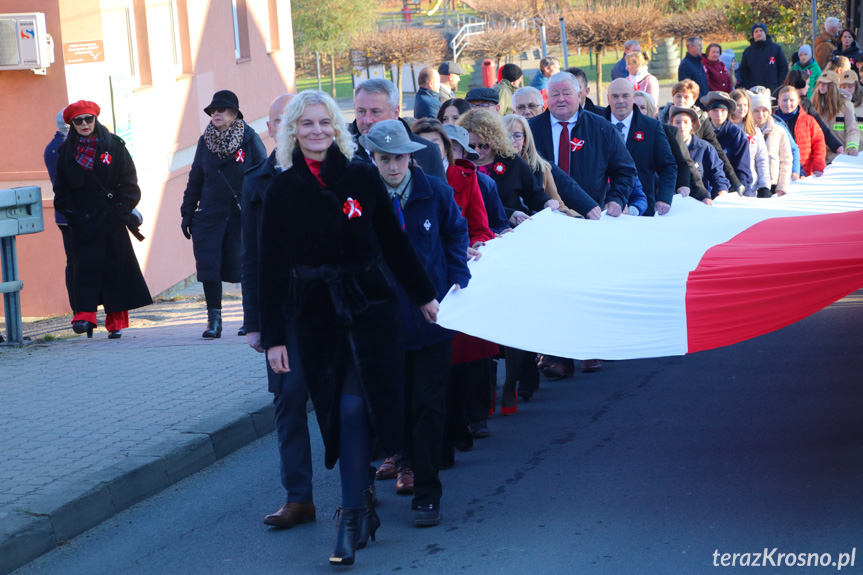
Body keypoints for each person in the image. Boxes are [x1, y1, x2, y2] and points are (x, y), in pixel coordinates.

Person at [259, 91, 439, 565]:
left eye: (324, 123)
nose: (316, 131)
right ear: (293, 131)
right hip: (312, 319)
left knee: (357, 409)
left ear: (337, 129)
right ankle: (358, 509)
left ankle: (351, 515)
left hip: (367, 311)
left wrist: (423, 296)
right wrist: (274, 336)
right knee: (334, 416)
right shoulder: (281, 190)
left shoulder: (361, 176)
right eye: (307, 124)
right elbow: (269, 267)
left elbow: (394, 242)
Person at [239, 93, 317, 530]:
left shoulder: (332, 173)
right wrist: (257, 325)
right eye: (278, 121)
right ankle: (298, 497)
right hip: (282, 313)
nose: (286, 128)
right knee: (289, 403)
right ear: (269, 129)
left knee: (343, 402)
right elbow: (251, 258)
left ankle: (357, 489)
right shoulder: (257, 181)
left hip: (329, 307)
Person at [53, 100, 151, 339]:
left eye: (88, 119)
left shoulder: (114, 146)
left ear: (95, 119)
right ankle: (84, 317)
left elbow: (129, 181)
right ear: (72, 124)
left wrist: (122, 208)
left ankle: (115, 322)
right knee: (84, 269)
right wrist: (75, 215)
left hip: (111, 218)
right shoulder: (65, 153)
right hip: (84, 221)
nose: (84, 124)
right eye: (78, 120)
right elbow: (62, 191)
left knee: (114, 269)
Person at [180, 90, 265, 339]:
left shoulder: (249, 139)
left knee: (245, 266)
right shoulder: (204, 141)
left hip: (241, 214)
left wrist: (260, 211)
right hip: (209, 214)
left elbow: (262, 176)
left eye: (222, 110)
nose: (216, 114)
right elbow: (195, 178)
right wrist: (187, 212)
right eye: (213, 111)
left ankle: (250, 318)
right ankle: (213, 320)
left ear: (234, 114)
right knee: (209, 267)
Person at [528, 72, 635, 217]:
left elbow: (625, 170)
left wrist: (616, 199)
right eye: (554, 95)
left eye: (566, 93)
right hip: (543, 214)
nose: (561, 99)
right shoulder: (530, 131)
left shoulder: (602, 128)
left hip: (591, 215)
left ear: (579, 95)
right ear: (546, 98)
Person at [502, 113, 599, 219]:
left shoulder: (541, 167)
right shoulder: (490, 166)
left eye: (517, 136)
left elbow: (558, 205)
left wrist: (576, 219)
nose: (512, 141)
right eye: (506, 136)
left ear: (525, 140)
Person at [603, 79, 677, 215]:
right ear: (608, 98)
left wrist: (664, 198)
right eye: (615, 96)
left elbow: (668, 166)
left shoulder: (652, 127)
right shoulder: (595, 125)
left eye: (625, 96)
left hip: (642, 209)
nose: (620, 101)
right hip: (603, 209)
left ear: (633, 97)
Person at [351, 79, 446, 181]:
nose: (367, 120)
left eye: (375, 112)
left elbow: (440, 194)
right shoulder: (340, 152)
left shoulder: (427, 152)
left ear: (396, 112)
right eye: (361, 111)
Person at [658, 81, 743, 193]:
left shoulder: (702, 120)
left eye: (686, 97)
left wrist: (734, 181)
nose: (681, 100)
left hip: (695, 172)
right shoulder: (660, 119)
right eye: (678, 96)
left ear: (694, 100)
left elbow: (716, 151)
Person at [44, 109, 74, 311]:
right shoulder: (69, 147)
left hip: (62, 215)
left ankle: (78, 308)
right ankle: (82, 309)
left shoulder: (51, 148)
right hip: (77, 214)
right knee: (80, 262)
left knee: (72, 261)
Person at [669, 106, 726, 199]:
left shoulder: (705, 148)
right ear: (671, 124)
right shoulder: (664, 147)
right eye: (677, 122)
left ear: (692, 124)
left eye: (686, 122)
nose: (682, 126)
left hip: (700, 201)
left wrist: (721, 189)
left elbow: (717, 173)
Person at [701, 91, 753, 192]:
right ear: (708, 112)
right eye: (715, 110)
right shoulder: (701, 133)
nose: (719, 114)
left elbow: (742, 167)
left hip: (731, 187)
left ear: (728, 112)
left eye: (723, 110)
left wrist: (743, 190)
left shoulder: (736, 134)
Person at [747, 89, 793, 196]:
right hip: (751, 183)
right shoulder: (745, 132)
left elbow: (786, 159)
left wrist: (782, 186)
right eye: (756, 111)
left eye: (764, 110)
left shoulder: (779, 131)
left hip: (773, 184)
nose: (761, 115)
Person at [775, 86, 827, 176]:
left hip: (804, 174)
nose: (788, 103)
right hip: (779, 173)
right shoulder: (772, 122)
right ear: (778, 102)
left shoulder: (809, 121)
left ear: (798, 101)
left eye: (792, 100)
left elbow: (819, 145)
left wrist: (818, 168)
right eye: (784, 100)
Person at [810, 70, 861, 162]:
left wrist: (852, 147)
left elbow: (852, 129)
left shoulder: (845, 105)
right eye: (821, 82)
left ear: (833, 86)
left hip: (839, 156)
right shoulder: (813, 105)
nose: (822, 85)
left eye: (826, 83)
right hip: (819, 156)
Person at [729, 89, 771, 196]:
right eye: (739, 105)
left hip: (750, 185)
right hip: (730, 184)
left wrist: (764, 186)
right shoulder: (725, 130)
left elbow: (762, 159)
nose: (742, 108)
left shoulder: (753, 131)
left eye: (745, 105)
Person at [739, 23, 788, 92]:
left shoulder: (776, 48)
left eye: (761, 31)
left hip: (774, 90)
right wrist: (748, 87)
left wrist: (779, 85)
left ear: (765, 33)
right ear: (753, 34)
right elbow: (744, 72)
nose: (759, 33)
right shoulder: (747, 52)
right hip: (754, 91)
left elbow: (783, 68)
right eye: (756, 31)